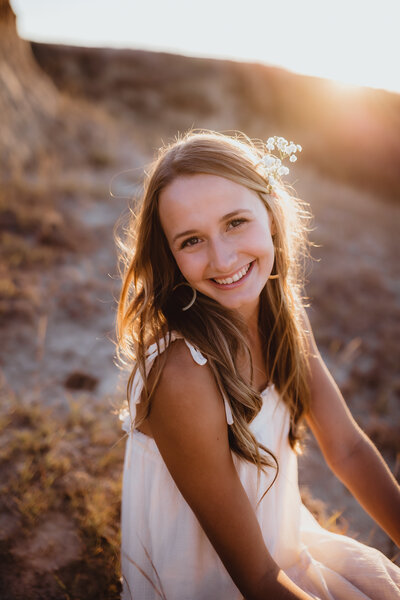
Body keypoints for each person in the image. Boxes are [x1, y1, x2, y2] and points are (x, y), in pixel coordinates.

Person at [115, 130, 400, 600]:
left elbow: (346, 448)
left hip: (282, 547)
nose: (223, 259)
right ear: (169, 254)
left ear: (270, 213)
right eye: (191, 240)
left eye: (234, 222)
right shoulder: (183, 373)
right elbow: (255, 579)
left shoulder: (281, 315)